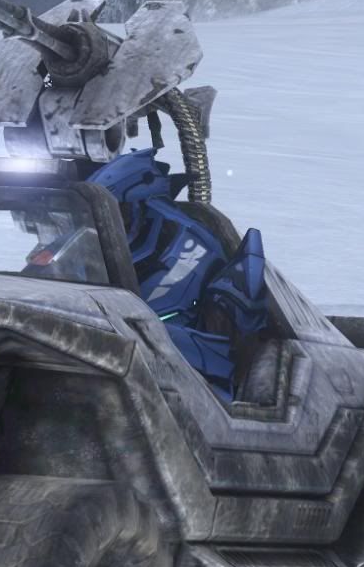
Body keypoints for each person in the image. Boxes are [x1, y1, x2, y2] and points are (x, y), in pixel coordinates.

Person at [88, 149, 269, 401]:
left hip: (189, 374)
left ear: (142, 207)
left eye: (123, 212)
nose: (118, 221)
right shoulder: (97, 242)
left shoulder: (193, 244)